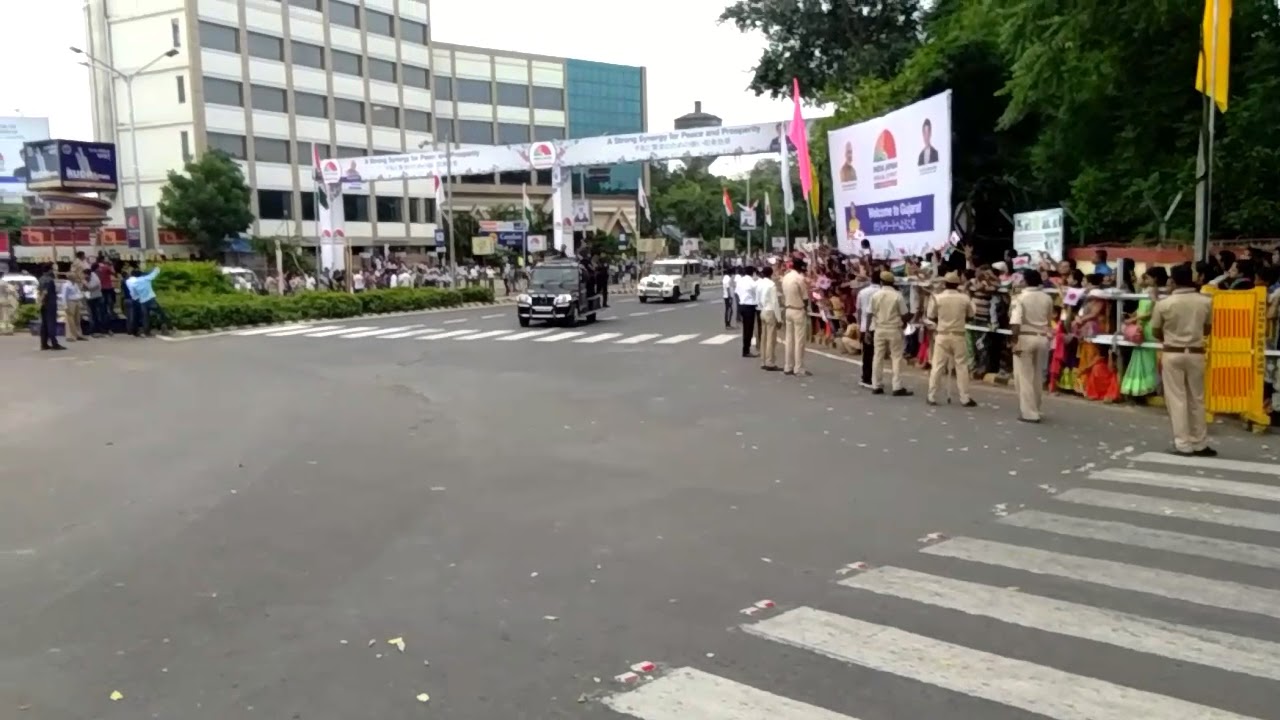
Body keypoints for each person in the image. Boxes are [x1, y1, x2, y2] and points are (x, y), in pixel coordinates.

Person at [1151, 263, 1215, 456]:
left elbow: (1155, 330)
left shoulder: (1164, 304)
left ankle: (1182, 444)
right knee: (1197, 398)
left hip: (1172, 351)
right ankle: (1200, 442)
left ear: (1173, 280)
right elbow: (1207, 329)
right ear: (1192, 278)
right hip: (1196, 352)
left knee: (1176, 398)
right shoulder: (1205, 301)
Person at [1009, 269, 1055, 422]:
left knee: (1024, 377)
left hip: (1025, 337)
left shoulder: (1020, 298)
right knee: (1037, 375)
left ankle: (1029, 413)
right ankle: (1036, 407)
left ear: (1026, 281)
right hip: (1042, 337)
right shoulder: (1047, 298)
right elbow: (1049, 320)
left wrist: (1014, 341)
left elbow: (1015, 322)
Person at [927, 271, 977, 407]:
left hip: (942, 334)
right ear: (957, 285)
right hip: (959, 335)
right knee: (961, 366)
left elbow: (931, 316)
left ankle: (932, 396)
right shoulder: (965, 298)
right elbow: (971, 315)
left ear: (945, 284)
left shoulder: (937, 298)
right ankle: (965, 398)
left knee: (937, 366)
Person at [869, 271, 912, 396]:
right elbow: (904, 313)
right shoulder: (897, 296)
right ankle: (897, 386)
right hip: (894, 329)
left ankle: (876, 385)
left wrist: (867, 330)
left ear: (881, 282)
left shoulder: (876, 295)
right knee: (896, 357)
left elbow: (870, 313)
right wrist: (904, 323)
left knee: (878, 357)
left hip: (879, 328)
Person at [781, 257, 810, 376]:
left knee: (789, 340)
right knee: (799, 341)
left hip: (788, 309)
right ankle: (798, 368)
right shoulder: (799, 278)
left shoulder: (786, 277)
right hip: (798, 309)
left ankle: (788, 366)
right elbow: (805, 297)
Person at [857, 271, 880, 388]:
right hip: (878, 325)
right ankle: (876, 378)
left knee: (867, 354)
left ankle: (866, 377)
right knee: (878, 354)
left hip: (864, 325)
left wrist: (859, 325)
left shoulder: (862, 292)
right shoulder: (881, 292)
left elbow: (859, 310)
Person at [757, 266, 782, 371]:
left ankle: (763, 360)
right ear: (771, 274)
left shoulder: (760, 283)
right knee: (771, 339)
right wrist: (779, 318)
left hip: (762, 310)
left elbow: (757, 299)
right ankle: (769, 362)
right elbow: (775, 303)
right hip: (770, 311)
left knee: (763, 337)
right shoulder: (771, 285)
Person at [37, 267, 64, 351]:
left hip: (43, 304)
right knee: (51, 323)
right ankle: (54, 343)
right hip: (50, 304)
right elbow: (45, 292)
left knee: (44, 324)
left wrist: (40, 302)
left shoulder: (41, 279)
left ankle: (44, 343)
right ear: (50, 270)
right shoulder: (49, 280)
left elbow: (39, 291)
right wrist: (42, 301)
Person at [736, 265, 759, 358]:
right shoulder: (752, 282)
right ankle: (746, 350)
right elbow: (757, 292)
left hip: (741, 305)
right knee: (749, 330)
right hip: (750, 307)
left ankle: (745, 349)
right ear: (753, 273)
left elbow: (737, 293)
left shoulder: (740, 280)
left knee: (745, 329)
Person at [61, 272, 86, 342]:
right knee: (70, 319)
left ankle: (78, 334)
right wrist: (65, 306)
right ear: (71, 277)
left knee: (77, 319)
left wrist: (81, 297)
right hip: (70, 302)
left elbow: (78, 292)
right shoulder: (66, 285)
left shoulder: (75, 284)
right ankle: (70, 336)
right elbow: (64, 296)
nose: (76, 278)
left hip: (76, 301)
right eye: (74, 276)